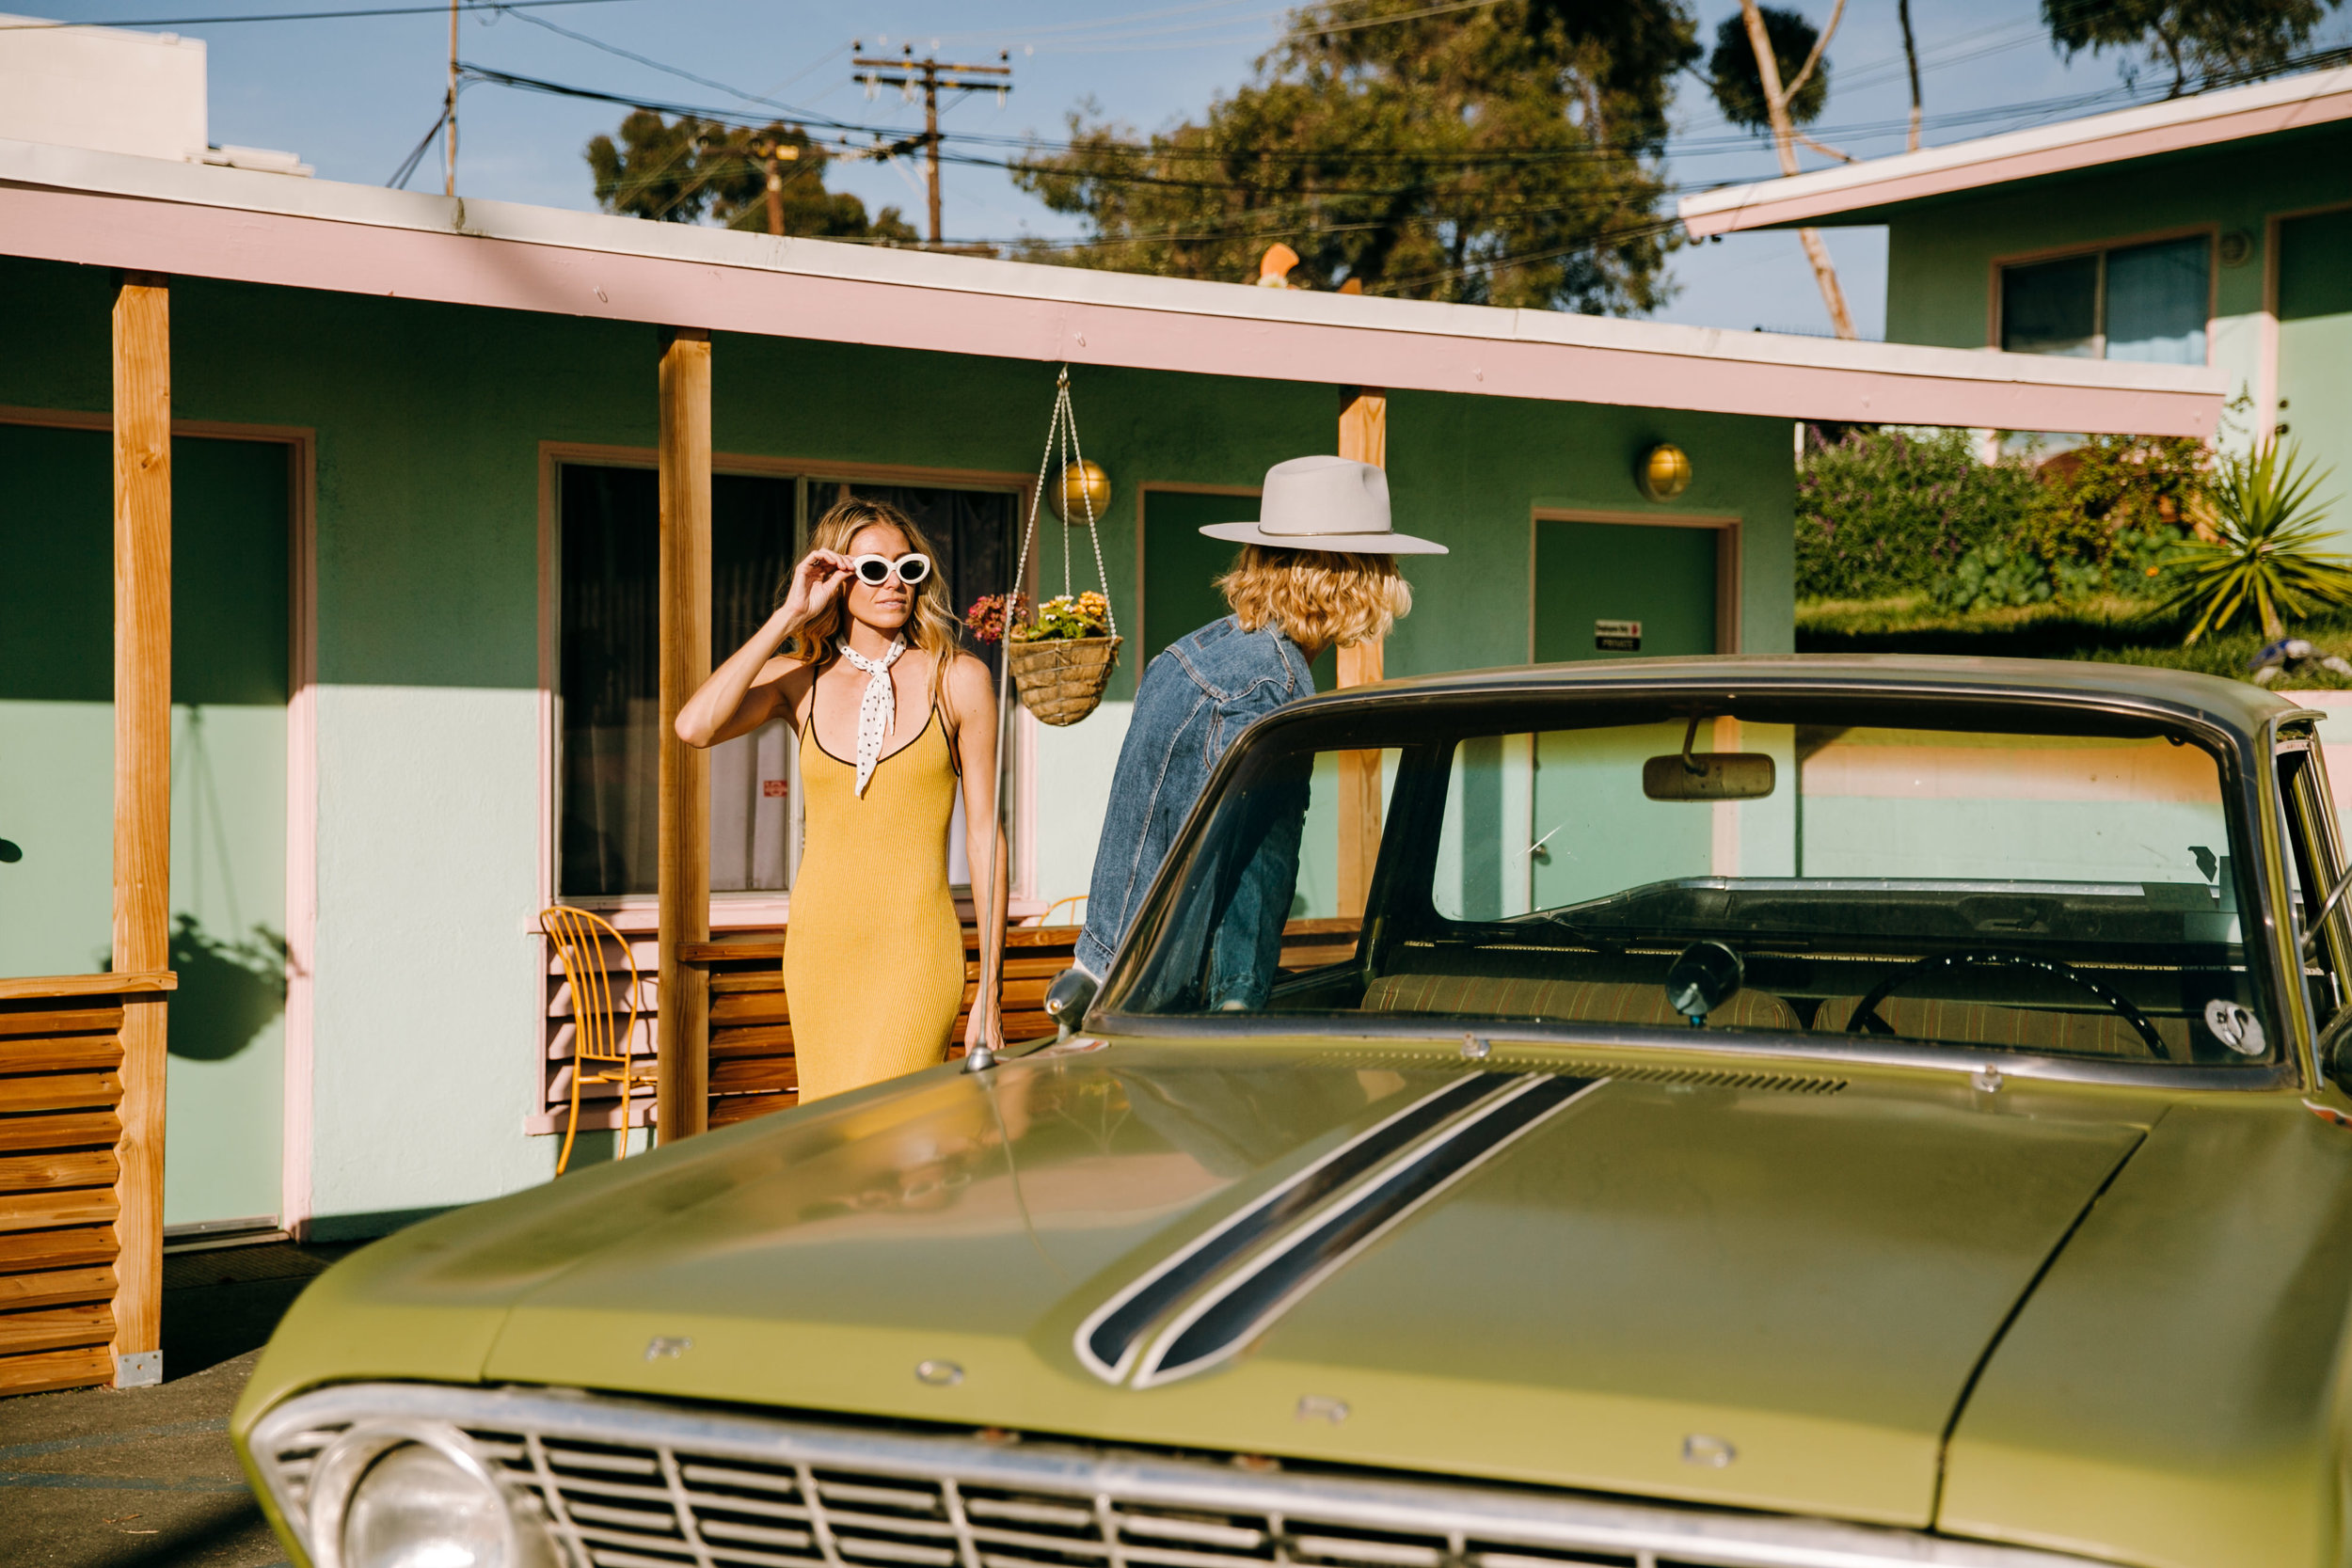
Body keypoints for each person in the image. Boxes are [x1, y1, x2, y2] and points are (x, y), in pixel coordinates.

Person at [1073, 454, 1445, 994]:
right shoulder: (1272, 688)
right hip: (1160, 1000)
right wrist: (1240, 1002)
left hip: (1103, 967)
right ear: (1353, 578)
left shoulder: (1196, 651)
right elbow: (1247, 873)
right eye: (1383, 563)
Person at [675, 498, 1006, 1101]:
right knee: (831, 1146)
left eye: (909, 569)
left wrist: (991, 986)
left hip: (915, 948)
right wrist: (787, 614)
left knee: (900, 1136)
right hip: (821, 949)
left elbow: (985, 835)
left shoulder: (957, 678)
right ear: (836, 578)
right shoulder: (798, 679)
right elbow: (695, 727)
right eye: (873, 570)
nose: (895, 585)